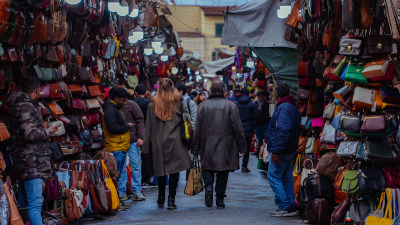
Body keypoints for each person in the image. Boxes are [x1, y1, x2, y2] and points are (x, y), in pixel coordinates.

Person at [7, 76, 58, 225]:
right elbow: (30, 134)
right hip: (32, 162)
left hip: (25, 161)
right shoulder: (25, 107)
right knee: (35, 204)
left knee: (25, 203)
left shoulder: (19, 106)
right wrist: (48, 132)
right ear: (37, 90)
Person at [192, 80, 246, 209]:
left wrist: (195, 148)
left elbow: (197, 129)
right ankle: (220, 199)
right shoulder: (230, 106)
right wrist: (242, 146)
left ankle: (209, 186)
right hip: (226, 144)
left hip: (207, 143)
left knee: (207, 167)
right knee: (223, 171)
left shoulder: (203, 106)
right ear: (223, 90)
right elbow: (238, 128)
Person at [142, 78, 191, 210]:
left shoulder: (152, 103)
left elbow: (148, 127)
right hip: (176, 142)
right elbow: (187, 121)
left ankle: (161, 198)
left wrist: (145, 146)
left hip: (158, 143)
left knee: (161, 172)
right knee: (174, 173)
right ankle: (171, 200)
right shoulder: (179, 102)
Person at [267, 83, 301, 217]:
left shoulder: (283, 108)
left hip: (282, 149)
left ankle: (285, 205)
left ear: (277, 94)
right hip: (290, 149)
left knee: (273, 176)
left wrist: (276, 150)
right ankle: (290, 205)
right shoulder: (292, 107)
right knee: (286, 177)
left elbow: (283, 130)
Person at [102, 87, 134, 201]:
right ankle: (116, 198)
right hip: (116, 146)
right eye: (123, 100)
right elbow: (112, 128)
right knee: (116, 174)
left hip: (120, 146)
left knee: (120, 173)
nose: (125, 103)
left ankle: (120, 196)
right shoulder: (110, 110)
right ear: (116, 99)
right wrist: (127, 126)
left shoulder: (114, 108)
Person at [122, 94, 146, 201]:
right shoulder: (113, 107)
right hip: (120, 140)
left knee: (135, 165)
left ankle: (136, 190)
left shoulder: (132, 105)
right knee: (122, 167)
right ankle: (122, 191)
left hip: (132, 140)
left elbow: (140, 121)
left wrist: (141, 137)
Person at [133, 84, 153, 186]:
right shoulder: (148, 103)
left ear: (135, 93)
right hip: (147, 130)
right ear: (145, 93)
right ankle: (146, 178)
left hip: (135, 131)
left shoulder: (132, 103)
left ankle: (136, 179)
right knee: (146, 155)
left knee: (135, 155)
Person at [235, 88, 258, 173]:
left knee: (235, 147)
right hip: (248, 129)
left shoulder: (236, 104)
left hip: (237, 128)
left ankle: (234, 165)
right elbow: (257, 117)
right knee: (247, 148)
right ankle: (244, 166)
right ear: (248, 94)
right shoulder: (252, 104)